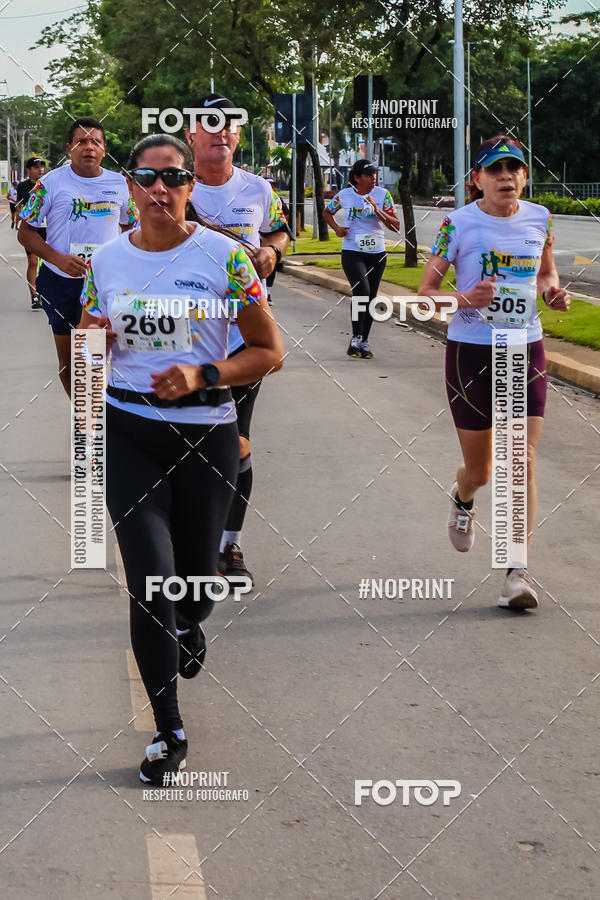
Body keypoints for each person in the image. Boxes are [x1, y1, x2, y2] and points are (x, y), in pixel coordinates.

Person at [79, 133, 284, 785]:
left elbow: (268, 350)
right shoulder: (106, 262)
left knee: (192, 590)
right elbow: (87, 357)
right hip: (130, 431)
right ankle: (169, 731)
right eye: (145, 177)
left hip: (207, 439)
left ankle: (190, 625)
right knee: (150, 587)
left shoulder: (225, 258)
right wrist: (94, 344)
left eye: (172, 177)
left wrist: (204, 373)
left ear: (191, 187)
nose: (159, 188)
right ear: (130, 188)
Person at [419, 135, 570, 610]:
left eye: (515, 168)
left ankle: (515, 571)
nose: (507, 176)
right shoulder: (457, 224)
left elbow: (546, 274)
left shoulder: (540, 219)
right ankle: (463, 497)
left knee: (520, 460)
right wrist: (466, 299)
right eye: (496, 169)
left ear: (525, 176)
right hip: (471, 354)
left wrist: (551, 292)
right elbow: (425, 294)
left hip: (525, 349)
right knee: (482, 470)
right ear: (476, 179)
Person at [186, 94, 290, 584]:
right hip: (181, 339)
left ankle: (229, 546)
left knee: (236, 442)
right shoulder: (174, 189)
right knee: (185, 442)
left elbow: (280, 232)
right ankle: (185, 539)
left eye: (229, 125)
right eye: (209, 125)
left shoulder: (260, 189)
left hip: (243, 340)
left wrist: (271, 251)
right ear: (191, 136)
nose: (220, 132)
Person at [18, 118, 137, 396]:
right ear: (69, 148)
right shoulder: (49, 183)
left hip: (104, 285)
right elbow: (26, 233)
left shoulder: (119, 184)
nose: (89, 147)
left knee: (93, 358)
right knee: (68, 360)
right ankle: (82, 415)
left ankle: (94, 416)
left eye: (95, 141)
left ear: (104, 149)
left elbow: (132, 226)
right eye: (81, 141)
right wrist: (59, 259)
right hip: (59, 283)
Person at [323, 159, 399, 359]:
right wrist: (337, 229)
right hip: (352, 251)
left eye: (375, 174)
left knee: (372, 297)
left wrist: (377, 209)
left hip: (377, 252)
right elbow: (327, 212)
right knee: (362, 291)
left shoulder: (383, 195)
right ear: (357, 178)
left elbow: (395, 225)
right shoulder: (344, 195)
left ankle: (364, 341)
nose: (373, 178)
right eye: (368, 175)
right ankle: (355, 337)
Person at [16, 159, 47, 309]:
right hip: (31, 229)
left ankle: (48, 292)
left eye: (42, 166)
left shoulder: (49, 183)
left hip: (50, 228)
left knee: (50, 262)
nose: (40, 169)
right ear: (28, 170)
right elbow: (20, 205)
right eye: (36, 167)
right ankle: (34, 295)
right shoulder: (23, 186)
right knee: (33, 261)